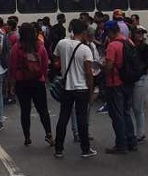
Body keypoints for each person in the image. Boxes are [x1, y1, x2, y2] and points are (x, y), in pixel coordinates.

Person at [52, 19, 97, 158]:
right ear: (83, 32)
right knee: (82, 119)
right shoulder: (85, 49)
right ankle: (85, 149)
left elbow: (54, 59)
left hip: (67, 87)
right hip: (82, 88)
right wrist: (91, 91)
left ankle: (58, 149)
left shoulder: (62, 43)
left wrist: (64, 68)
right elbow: (89, 73)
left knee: (63, 118)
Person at [9, 22, 53, 146]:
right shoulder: (40, 46)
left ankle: (27, 137)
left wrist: (12, 85)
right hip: (38, 81)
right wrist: (44, 78)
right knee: (43, 110)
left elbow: (12, 67)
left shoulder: (17, 48)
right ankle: (49, 134)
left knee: (25, 110)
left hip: (22, 82)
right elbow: (45, 64)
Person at [102, 20, 136, 154]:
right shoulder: (129, 42)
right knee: (126, 112)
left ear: (111, 32)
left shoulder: (112, 46)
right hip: (128, 82)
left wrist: (101, 66)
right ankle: (131, 141)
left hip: (115, 82)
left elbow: (109, 67)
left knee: (117, 115)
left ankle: (121, 144)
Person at [130, 26, 148, 144]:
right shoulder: (129, 45)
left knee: (138, 108)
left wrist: (135, 73)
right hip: (130, 79)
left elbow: (145, 64)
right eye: (137, 33)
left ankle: (140, 133)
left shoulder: (145, 48)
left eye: (141, 33)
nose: (139, 35)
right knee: (130, 108)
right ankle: (134, 133)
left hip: (141, 78)